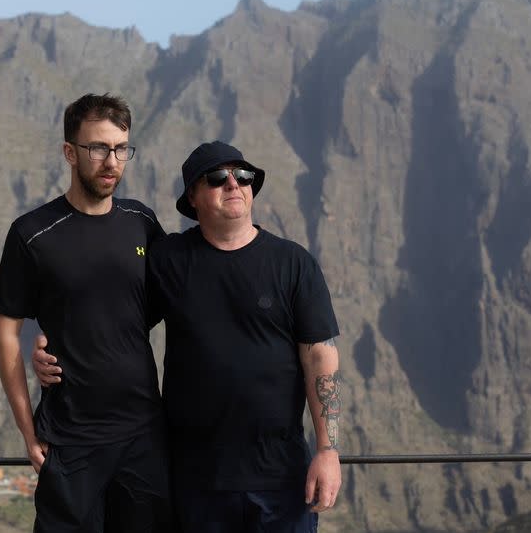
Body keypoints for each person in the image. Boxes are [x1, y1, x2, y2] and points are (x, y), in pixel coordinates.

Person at [35, 140, 343, 532]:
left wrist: (328, 451)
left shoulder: (294, 263)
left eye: (243, 175)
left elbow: (320, 357)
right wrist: (48, 347)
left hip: (281, 480)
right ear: (193, 198)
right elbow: (114, 321)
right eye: (217, 178)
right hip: (195, 481)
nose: (233, 184)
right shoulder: (168, 260)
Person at [0, 93, 171, 532]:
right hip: (70, 442)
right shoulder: (32, 234)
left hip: (143, 436)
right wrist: (27, 430)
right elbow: (5, 332)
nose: (112, 161)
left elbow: (172, 300)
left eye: (121, 148)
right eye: (98, 148)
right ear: (70, 152)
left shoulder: (141, 221)